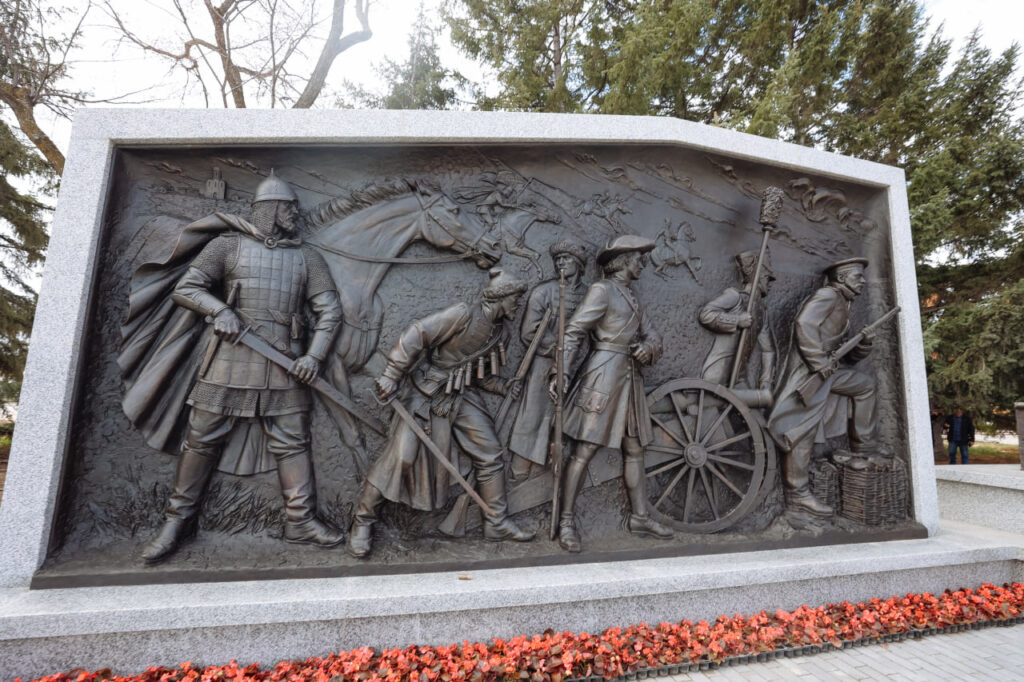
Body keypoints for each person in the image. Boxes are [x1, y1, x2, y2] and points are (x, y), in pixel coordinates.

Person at [140, 171, 345, 563]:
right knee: (201, 440)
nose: (295, 214)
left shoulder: (307, 258)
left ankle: (300, 521)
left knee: (293, 443)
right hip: (230, 361)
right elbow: (187, 288)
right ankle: (177, 522)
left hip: (286, 364)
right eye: (289, 207)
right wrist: (220, 311)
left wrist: (313, 357)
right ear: (271, 208)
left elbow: (329, 311)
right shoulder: (227, 246)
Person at [347, 268, 536, 558]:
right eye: (515, 299)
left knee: (490, 453)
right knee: (401, 457)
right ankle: (363, 520)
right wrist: (392, 373)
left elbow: (481, 377)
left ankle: (496, 522)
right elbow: (417, 334)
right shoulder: (463, 314)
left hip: (461, 396)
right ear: (501, 296)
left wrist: (502, 386)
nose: (517, 304)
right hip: (427, 392)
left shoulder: (502, 333)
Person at [548, 234, 674, 553]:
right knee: (584, 449)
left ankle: (639, 518)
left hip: (630, 379)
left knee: (635, 449)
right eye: (638, 259)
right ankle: (566, 522)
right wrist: (561, 372)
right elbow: (574, 331)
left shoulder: (632, 296)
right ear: (623, 262)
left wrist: (648, 348)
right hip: (603, 376)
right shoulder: (601, 290)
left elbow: (653, 334)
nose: (642, 264)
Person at [768, 257, 887, 516]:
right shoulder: (828, 295)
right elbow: (804, 324)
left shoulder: (844, 302)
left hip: (828, 372)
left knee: (865, 386)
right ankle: (797, 494)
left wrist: (864, 343)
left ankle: (864, 447)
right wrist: (818, 362)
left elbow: (848, 356)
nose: (863, 281)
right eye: (858, 276)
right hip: (807, 373)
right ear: (842, 278)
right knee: (802, 429)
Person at [507, 240, 588, 483]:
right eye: (557, 259)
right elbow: (528, 333)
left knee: (565, 418)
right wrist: (558, 351)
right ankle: (520, 471)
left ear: (579, 264)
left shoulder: (589, 294)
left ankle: (548, 473)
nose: (561, 262)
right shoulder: (543, 292)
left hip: (579, 366)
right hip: (544, 363)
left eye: (566, 258)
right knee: (533, 415)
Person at [698, 250, 775, 389]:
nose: (770, 283)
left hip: (739, 377)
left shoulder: (762, 311)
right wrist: (737, 320)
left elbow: (768, 350)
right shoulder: (735, 296)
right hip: (719, 372)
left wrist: (766, 380)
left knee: (756, 404)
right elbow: (705, 314)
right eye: (767, 278)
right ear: (757, 277)